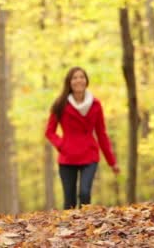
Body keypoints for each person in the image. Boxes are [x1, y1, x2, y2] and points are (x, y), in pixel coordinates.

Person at [45, 66, 119, 210]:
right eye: (75, 77)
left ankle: (86, 228)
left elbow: (101, 134)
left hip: (89, 155)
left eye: (81, 77)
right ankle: (69, 231)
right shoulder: (60, 104)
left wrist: (112, 162)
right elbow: (49, 132)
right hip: (67, 157)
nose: (78, 80)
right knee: (69, 201)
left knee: (85, 194)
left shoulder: (96, 104)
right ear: (69, 82)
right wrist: (62, 145)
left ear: (86, 81)